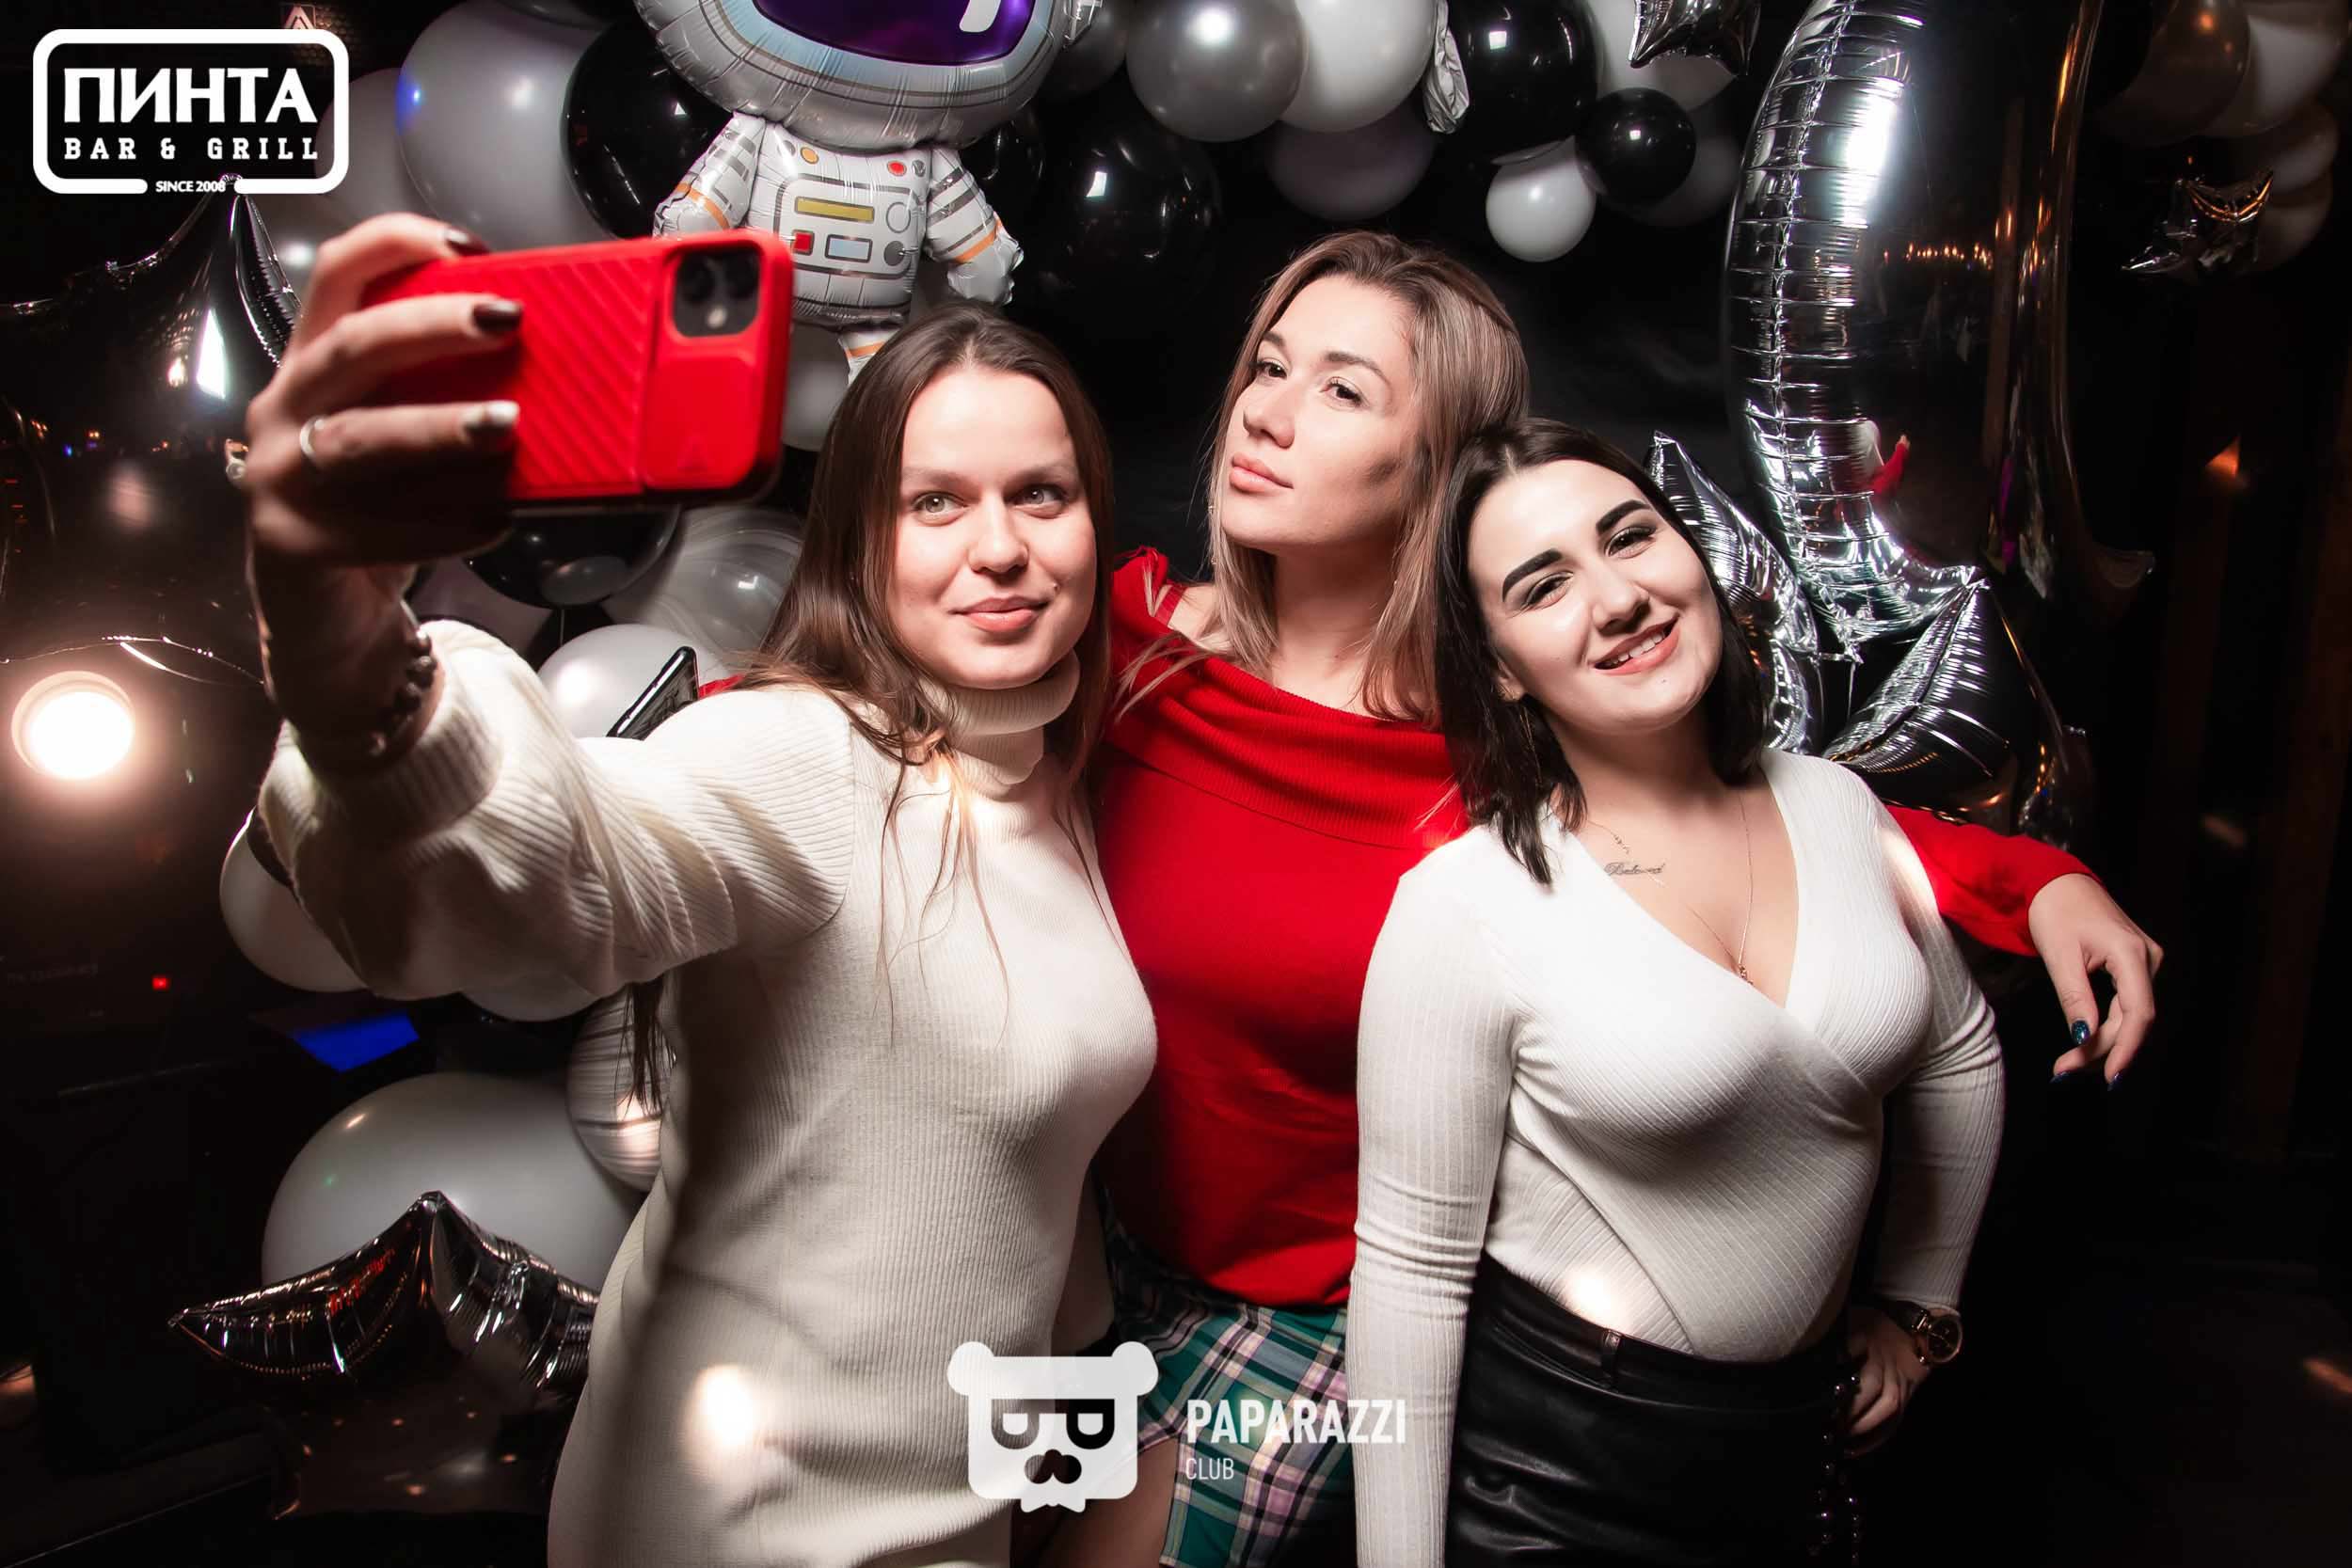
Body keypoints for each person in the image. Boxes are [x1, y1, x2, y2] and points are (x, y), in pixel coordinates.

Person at [1051, 231, 2160, 1568]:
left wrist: (2043, 879)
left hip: (1326, 1307)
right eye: (1268, 367)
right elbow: (913, 703)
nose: (1269, 414)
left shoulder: (1496, 754)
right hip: (1090, 1241)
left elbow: (1777, 815)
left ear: (1435, 467)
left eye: (1343, 390)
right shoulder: (1130, 651)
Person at [235, 214, 1153, 1567]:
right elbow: (545, 882)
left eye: (1042, 493)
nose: (1002, 545)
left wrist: (1074, 1462)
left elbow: (1012, 1196)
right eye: (935, 502)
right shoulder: (806, 755)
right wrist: (357, 669)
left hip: (957, 1520)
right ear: (857, 538)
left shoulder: (1051, 786)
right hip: (742, 1523)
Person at [1348, 420, 2007, 1565]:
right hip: (1556, 1481)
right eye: (1544, 585)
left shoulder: (1837, 806)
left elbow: (1957, 1046)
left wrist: (1919, 1308)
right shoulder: (1463, 906)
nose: (1617, 599)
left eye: (1629, 538)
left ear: (1691, 555)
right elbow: (1410, 1278)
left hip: (1796, 1459)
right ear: (1500, 666)